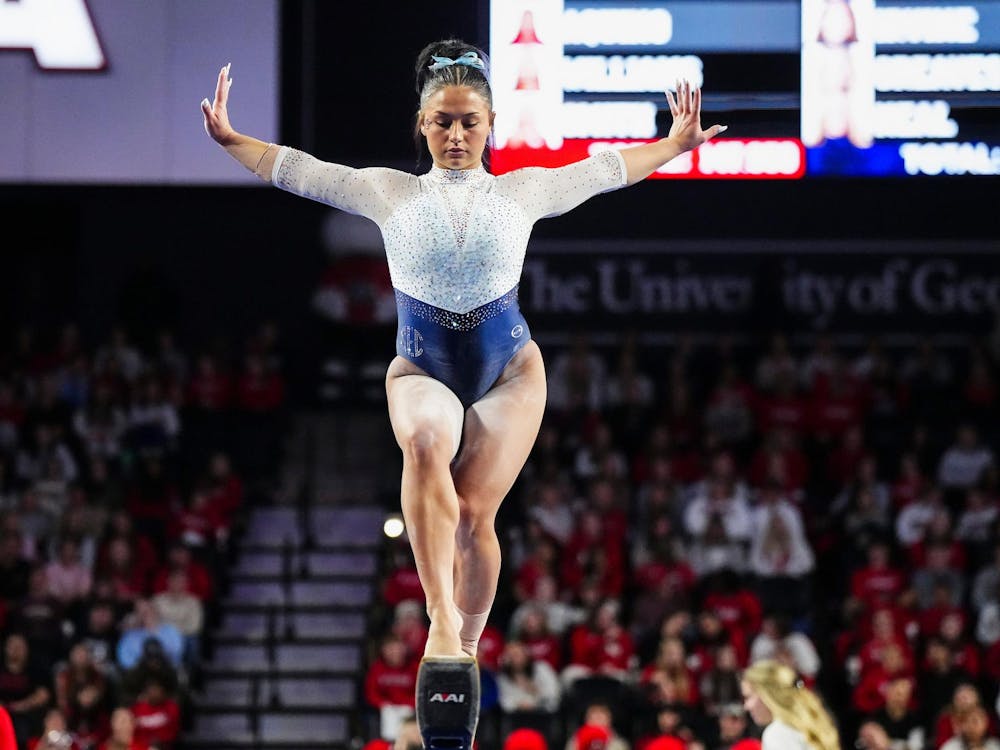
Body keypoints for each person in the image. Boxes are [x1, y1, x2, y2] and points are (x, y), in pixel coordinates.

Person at [201, 39, 724, 661]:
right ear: (422, 124)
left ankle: (466, 650)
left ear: (491, 125)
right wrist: (233, 140)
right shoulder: (388, 191)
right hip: (423, 369)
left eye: (469, 122)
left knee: (475, 515)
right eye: (442, 122)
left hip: (510, 373)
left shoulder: (523, 192)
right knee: (423, 445)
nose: (455, 135)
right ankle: (441, 623)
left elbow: (604, 171)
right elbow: (304, 171)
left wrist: (672, 145)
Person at [740, 659, 839, 750]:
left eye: (748, 697)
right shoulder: (808, 725)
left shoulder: (777, 733)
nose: (746, 706)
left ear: (768, 695)